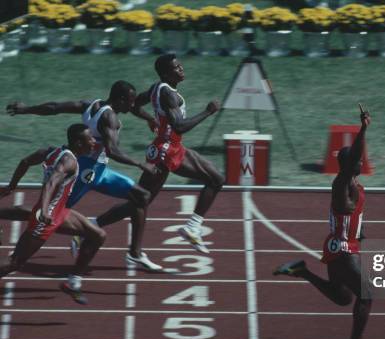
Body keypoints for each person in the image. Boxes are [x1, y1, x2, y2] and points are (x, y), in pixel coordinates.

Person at [6, 81, 162, 273]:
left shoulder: (91, 105)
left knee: (142, 197)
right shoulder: (110, 117)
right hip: (83, 173)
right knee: (51, 212)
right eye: (130, 102)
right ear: (120, 100)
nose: (133, 106)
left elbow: (55, 108)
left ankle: (134, 252)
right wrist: (140, 164)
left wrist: (26, 109)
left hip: (101, 171)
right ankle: (15, 237)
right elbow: (112, 151)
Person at [274, 104, 375, 339]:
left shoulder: (353, 184)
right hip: (342, 249)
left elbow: (352, 214)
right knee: (366, 295)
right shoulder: (342, 181)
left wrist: (360, 230)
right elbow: (353, 157)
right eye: (357, 159)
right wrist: (362, 129)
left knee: (342, 297)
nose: (362, 162)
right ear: (348, 162)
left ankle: (302, 270)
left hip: (337, 246)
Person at [117, 53, 223, 252]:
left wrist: (151, 119)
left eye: (181, 65)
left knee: (216, 179)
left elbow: (134, 105)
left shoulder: (157, 87)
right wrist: (208, 112)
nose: (181, 69)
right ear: (166, 73)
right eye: (176, 67)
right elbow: (180, 126)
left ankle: (192, 227)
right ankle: (94, 227)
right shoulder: (169, 94)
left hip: (173, 147)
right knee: (140, 200)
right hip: (165, 152)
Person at [0, 124, 106, 305]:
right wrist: (44, 208)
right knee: (14, 263)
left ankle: (73, 283)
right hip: (47, 217)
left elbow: (25, 161)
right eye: (90, 139)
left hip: (60, 212)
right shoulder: (70, 162)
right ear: (79, 143)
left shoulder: (51, 151)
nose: (94, 142)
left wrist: (12, 186)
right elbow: (51, 182)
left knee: (98, 235)